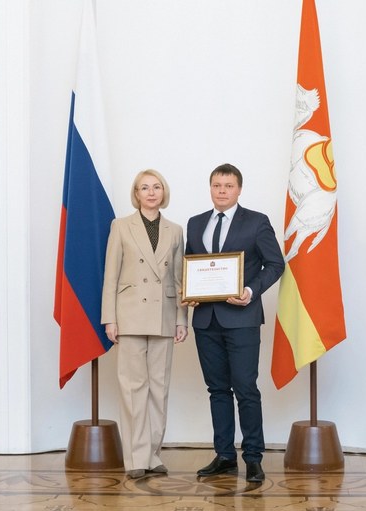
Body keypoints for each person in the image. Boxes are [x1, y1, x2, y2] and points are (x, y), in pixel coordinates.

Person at [185, 163, 285, 484]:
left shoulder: (256, 221)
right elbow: (191, 266)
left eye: (228, 186)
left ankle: (253, 457)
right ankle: (225, 456)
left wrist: (251, 291)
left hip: (242, 318)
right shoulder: (195, 223)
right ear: (210, 188)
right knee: (217, 389)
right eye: (217, 185)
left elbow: (276, 264)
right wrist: (190, 292)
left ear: (239, 189)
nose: (222, 191)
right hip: (206, 320)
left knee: (245, 389)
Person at [101, 169, 188, 479]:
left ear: (164, 192)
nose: (151, 193)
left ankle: (152, 455)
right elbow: (111, 275)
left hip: (164, 315)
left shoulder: (175, 230)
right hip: (130, 315)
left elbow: (179, 279)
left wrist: (182, 319)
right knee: (133, 388)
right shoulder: (121, 226)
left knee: (159, 389)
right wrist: (109, 318)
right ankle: (136, 458)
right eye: (144, 188)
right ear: (136, 194)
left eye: (156, 187)